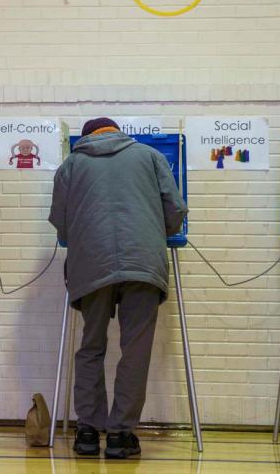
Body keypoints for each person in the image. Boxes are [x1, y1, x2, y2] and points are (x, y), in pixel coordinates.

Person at [47, 117, 187, 459]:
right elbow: (175, 210)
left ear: (86, 138)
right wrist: (155, 229)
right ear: (116, 132)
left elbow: (61, 226)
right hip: (143, 263)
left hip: (91, 265)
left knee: (91, 345)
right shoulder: (151, 156)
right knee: (135, 349)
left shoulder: (70, 165)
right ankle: (121, 436)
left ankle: (88, 433)